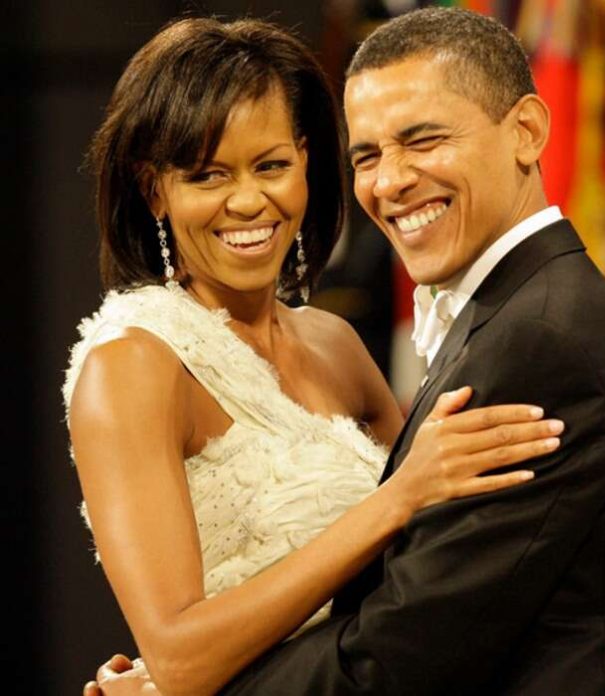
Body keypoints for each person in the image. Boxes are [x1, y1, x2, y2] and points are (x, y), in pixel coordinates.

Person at [67, 16, 564, 696]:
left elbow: (431, 560)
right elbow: (182, 659)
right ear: (155, 188)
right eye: (208, 175)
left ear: (306, 162)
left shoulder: (335, 343)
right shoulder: (133, 363)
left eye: (271, 165)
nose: (249, 201)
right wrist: (395, 499)